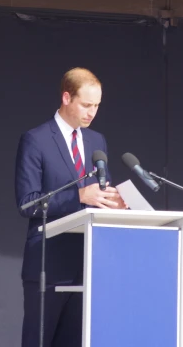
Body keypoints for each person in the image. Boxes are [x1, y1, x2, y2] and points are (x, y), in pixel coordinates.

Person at [15, 67, 127, 347]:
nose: (92, 112)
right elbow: (28, 202)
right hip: (48, 261)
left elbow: (98, 191)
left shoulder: (95, 141)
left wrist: (114, 202)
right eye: (86, 105)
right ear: (66, 98)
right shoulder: (36, 140)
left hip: (88, 259)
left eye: (97, 106)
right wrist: (81, 196)